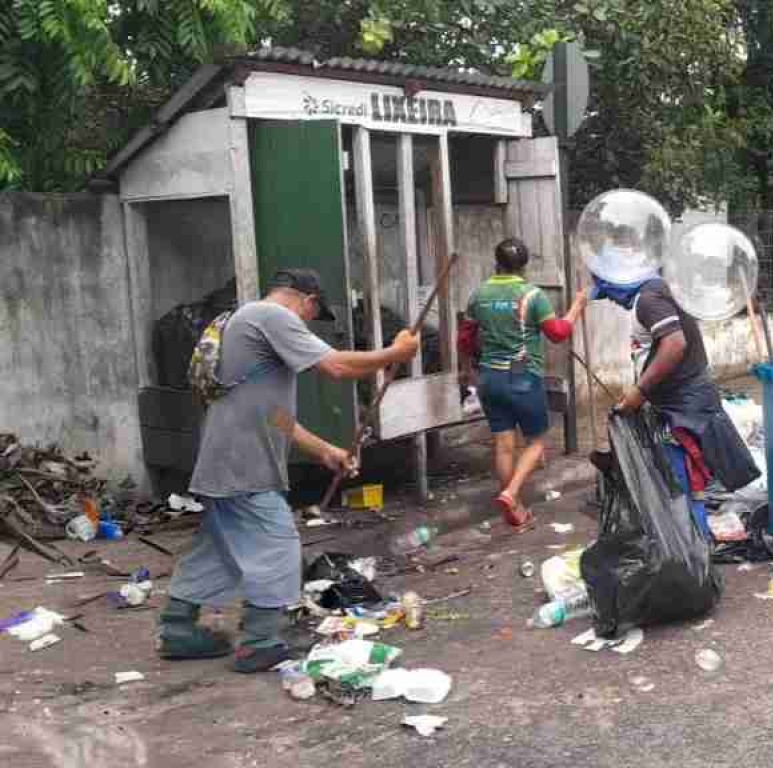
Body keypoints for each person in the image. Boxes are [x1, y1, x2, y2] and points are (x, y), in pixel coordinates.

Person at [159, 268, 419, 672]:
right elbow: (336, 368)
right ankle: (260, 641)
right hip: (243, 464)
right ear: (307, 300)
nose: (309, 325)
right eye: (313, 316)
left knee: (221, 549)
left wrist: (323, 450)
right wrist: (394, 355)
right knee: (278, 544)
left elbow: (273, 413)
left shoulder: (245, 324)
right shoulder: (272, 317)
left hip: (225, 459)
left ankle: (178, 629)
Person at [589, 265, 759, 534]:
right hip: (680, 401)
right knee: (680, 481)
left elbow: (674, 343)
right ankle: (690, 545)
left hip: (683, 407)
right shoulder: (653, 293)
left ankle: (693, 551)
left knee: (682, 481)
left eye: (607, 292)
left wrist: (640, 391)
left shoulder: (649, 299)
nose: (609, 299)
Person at [462, 237, 587, 529]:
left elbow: (465, 339)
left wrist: (471, 368)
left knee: (504, 444)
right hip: (522, 375)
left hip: (489, 377)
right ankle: (511, 492)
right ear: (525, 265)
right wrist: (577, 306)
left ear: (496, 261)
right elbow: (558, 333)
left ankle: (515, 509)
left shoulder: (479, 294)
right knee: (536, 441)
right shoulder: (532, 295)